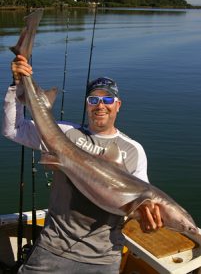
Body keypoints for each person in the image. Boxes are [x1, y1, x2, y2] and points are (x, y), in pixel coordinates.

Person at [2, 55, 163, 274]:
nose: (100, 106)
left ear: (118, 105)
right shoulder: (65, 134)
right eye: (93, 100)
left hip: (103, 257)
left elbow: (141, 201)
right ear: (87, 105)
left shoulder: (133, 150)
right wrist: (17, 84)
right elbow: (14, 129)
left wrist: (146, 219)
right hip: (54, 247)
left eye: (107, 100)